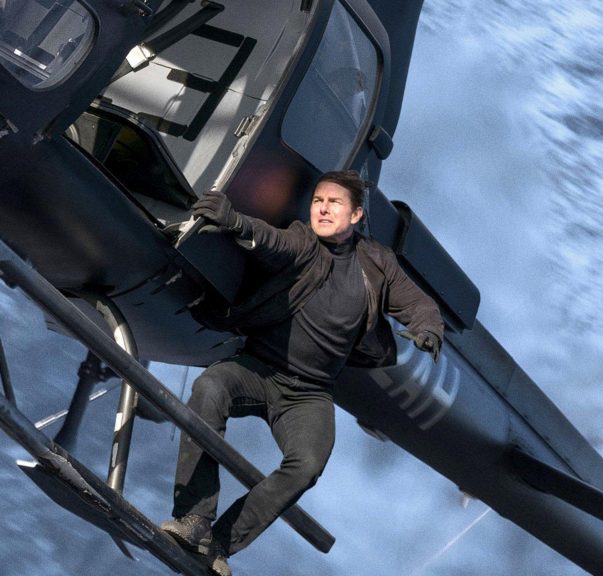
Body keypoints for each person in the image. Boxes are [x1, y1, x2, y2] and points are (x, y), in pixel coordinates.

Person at [161, 170, 444, 576]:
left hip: (309, 393)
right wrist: (234, 221)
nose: (323, 209)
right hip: (258, 369)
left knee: (308, 464)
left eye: (334, 203)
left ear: (356, 215)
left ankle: (219, 543)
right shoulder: (303, 240)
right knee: (209, 388)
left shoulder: (377, 263)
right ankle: (193, 519)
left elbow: (419, 304)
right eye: (317, 201)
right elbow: (273, 242)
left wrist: (428, 329)